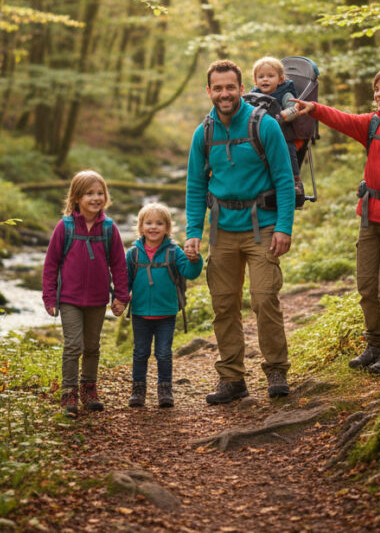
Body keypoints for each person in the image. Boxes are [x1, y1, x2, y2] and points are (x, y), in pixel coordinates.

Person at [294, 66, 380, 374]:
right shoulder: (371, 124)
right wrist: (313, 108)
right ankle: (375, 344)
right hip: (369, 218)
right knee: (367, 285)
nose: (379, 94)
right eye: (377, 89)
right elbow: (341, 119)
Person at [184, 59, 295, 404]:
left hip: (262, 227)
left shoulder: (264, 126)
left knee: (264, 298)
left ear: (240, 87)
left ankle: (276, 369)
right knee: (224, 305)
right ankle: (232, 379)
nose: (224, 94)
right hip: (222, 232)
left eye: (230, 87)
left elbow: (284, 179)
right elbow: (195, 186)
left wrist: (284, 226)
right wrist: (193, 231)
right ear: (209, 92)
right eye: (217, 88)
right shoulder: (203, 133)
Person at [43, 170, 129, 417]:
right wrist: (49, 297)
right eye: (89, 193)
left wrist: (121, 296)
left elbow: (118, 265)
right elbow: (51, 264)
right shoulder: (65, 227)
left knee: (92, 345)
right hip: (69, 299)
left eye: (100, 193)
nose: (96, 198)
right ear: (77, 197)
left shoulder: (109, 228)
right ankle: (68, 391)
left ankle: (89, 388)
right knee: (73, 345)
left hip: (97, 299)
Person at [125, 202, 204, 409]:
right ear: (141, 227)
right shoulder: (133, 253)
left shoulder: (174, 251)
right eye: (148, 223)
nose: (153, 227)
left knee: (164, 353)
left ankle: (164, 390)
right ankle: (138, 391)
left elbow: (190, 272)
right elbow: (124, 280)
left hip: (166, 313)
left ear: (167, 228)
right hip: (140, 313)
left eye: (159, 223)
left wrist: (195, 260)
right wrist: (120, 298)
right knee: (140, 352)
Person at [250, 56, 305, 201]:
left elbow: (295, 109)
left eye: (270, 76)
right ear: (255, 81)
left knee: (288, 150)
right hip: (260, 136)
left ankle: (295, 182)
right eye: (261, 77)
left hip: (283, 133)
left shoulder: (285, 94)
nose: (265, 79)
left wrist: (282, 116)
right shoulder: (254, 96)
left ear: (280, 80)